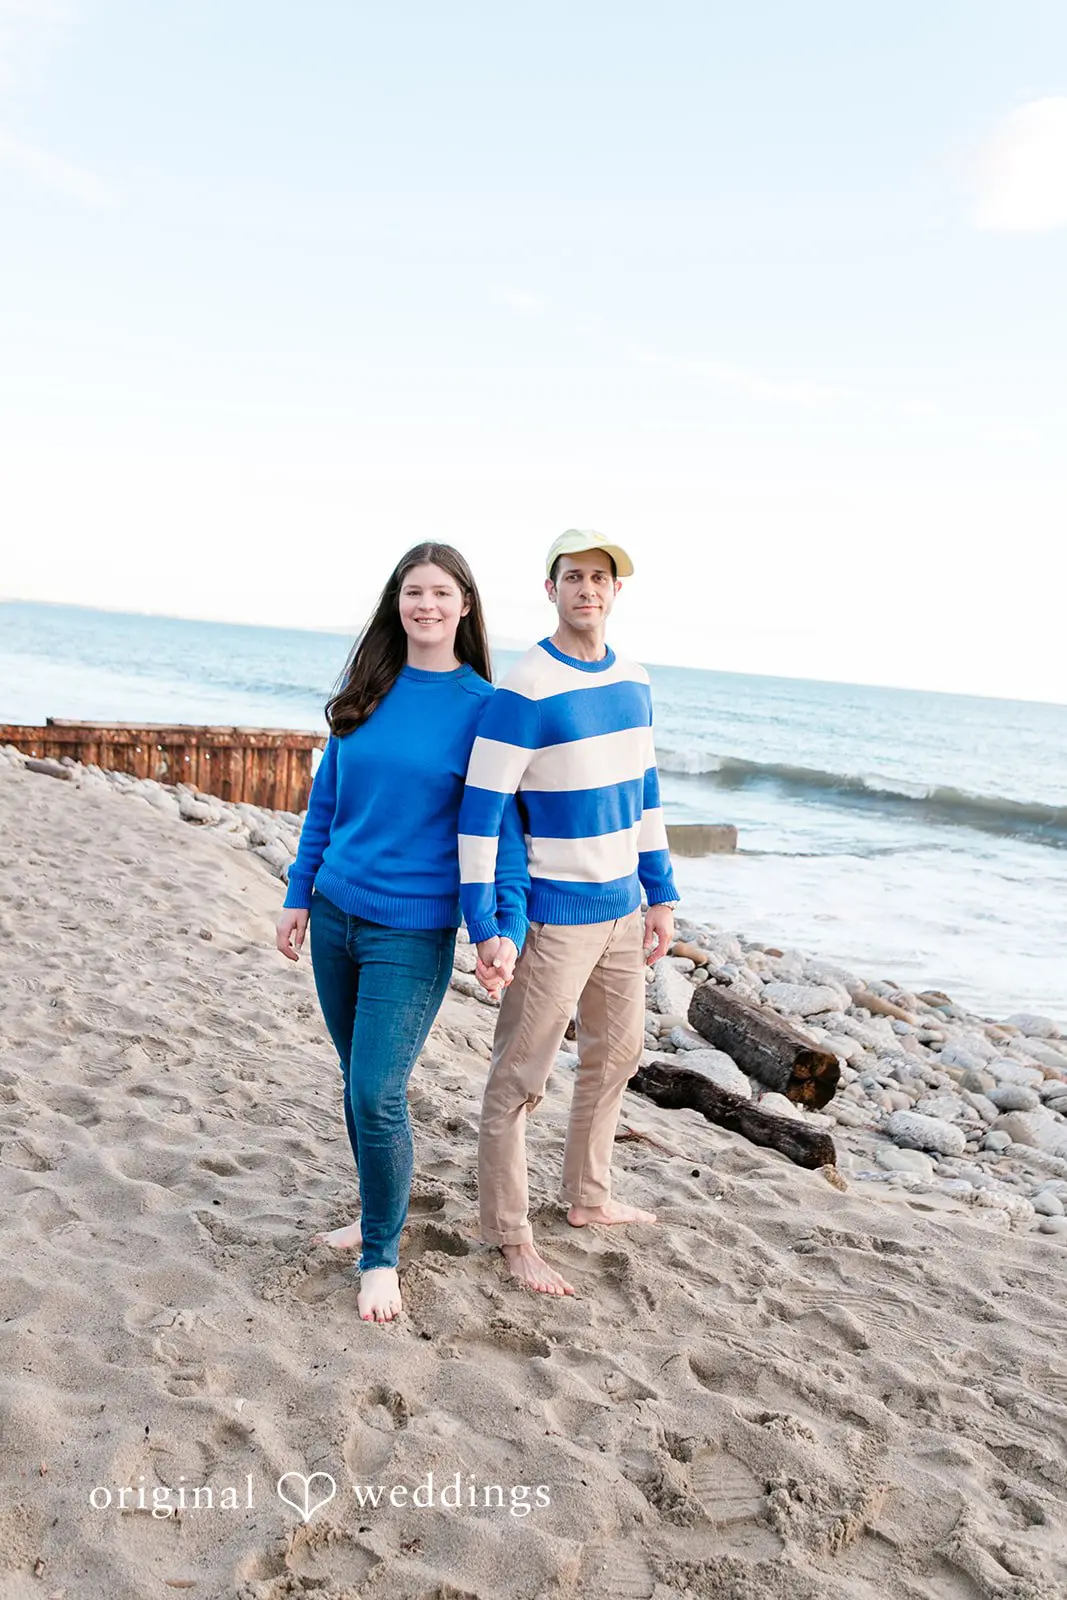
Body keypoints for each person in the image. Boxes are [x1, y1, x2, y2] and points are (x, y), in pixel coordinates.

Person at [276, 544, 528, 1324]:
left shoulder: (486, 708)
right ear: (396, 604)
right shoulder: (367, 692)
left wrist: (502, 929)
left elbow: (504, 838)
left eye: (441, 592)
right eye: (413, 592)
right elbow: (326, 805)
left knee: (377, 1092)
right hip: (334, 915)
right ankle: (371, 1213)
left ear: (464, 607)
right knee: (356, 1086)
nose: (426, 604)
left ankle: (380, 1254)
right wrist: (296, 893)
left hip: (411, 932)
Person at [458, 530, 679, 1296]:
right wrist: (484, 924)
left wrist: (661, 892)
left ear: (617, 592)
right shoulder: (523, 688)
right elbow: (480, 813)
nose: (588, 590)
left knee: (615, 1057)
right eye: (573, 577)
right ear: (550, 589)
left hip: (622, 911)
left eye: (601, 578)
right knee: (517, 1080)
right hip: (552, 918)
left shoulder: (635, 680)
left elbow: (644, 790)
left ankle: (586, 1199)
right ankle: (511, 1236)